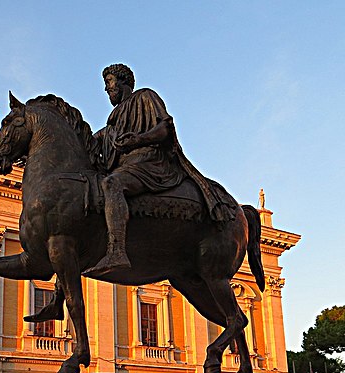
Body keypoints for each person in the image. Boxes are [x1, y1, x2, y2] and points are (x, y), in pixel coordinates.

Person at [85, 63, 237, 277]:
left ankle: (117, 251)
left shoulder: (145, 97)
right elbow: (89, 144)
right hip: (128, 167)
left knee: (112, 184)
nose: (106, 88)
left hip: (149, 162)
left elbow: (165, 127)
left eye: (109, 82)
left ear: (122, 81)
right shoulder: (111, 125)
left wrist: (138, 139)